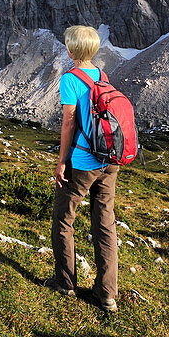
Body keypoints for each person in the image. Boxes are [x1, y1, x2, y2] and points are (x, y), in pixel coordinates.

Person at [44, 25, 119, 312]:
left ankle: (65, 283)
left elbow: (68, 123)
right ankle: (107, 294)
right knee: (104, 223)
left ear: (71, 50)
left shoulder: (69, 80)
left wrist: (62, 160)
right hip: (109, 161)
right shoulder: (102, 76)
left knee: (64, 218)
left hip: (84, 162)